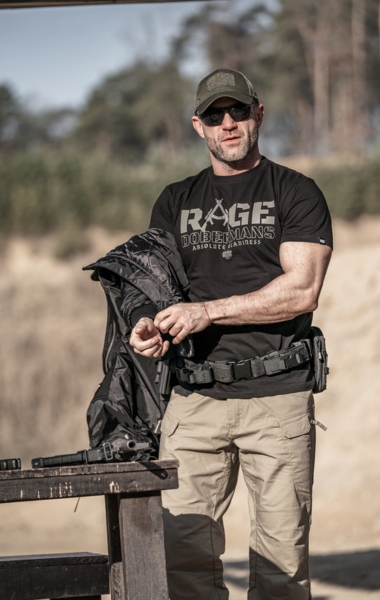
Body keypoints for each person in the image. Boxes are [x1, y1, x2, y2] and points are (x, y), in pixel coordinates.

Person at [129, 68, 333, 600]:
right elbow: (155, 289)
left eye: (238, 111)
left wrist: (206, 313)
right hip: (192, 402)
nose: (228, 124)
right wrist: (147, 325)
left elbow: (301, 291)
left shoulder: (296, 191)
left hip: (277, 399)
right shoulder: (174, 200)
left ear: (258, 114)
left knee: (281, 570)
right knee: (182, 567)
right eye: (215, 115)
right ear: (198, 125)